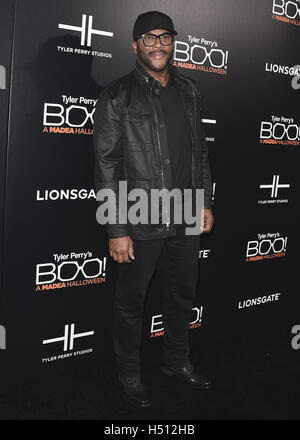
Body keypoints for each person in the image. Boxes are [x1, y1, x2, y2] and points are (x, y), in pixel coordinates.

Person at [93, 10, 214, 408]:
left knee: (182, 296)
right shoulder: (117, 95)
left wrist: (204, 202)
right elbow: (107, 164)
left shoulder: (190, 90)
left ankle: (176, 361)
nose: (158, 44)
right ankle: (129, 373)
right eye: (149, 38)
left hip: (184, 214)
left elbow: (200, 154)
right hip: (139, 218)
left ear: (173, 42)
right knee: (131, 303)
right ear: (135, 45)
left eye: (165, 37)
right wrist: (116, 229)